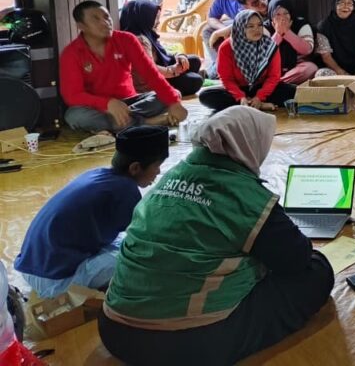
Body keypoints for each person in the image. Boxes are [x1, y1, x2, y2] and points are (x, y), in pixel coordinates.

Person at [99, 106, 334, 366]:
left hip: (113, 328)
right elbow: (297, 258)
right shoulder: (245, 195)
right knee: (317, 271)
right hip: (182, 344)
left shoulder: (170, 177)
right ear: (251, 144)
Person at [14, 127, 169, 298]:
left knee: (123, 242)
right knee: (144, 258)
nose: (158, 172)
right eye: (157, 166)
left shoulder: (97, 173)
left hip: (30, 266)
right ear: (135, 168)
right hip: (53, 282)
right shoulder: (125, 190)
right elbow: (149, 239)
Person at [60, 1, 188, 132]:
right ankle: (146, 122)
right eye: (96, 19)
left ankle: (121, 124)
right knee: (74, 116)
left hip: (131, 103)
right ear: (81, 26)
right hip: (98, 108)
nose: (105, 22)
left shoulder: (126, 40)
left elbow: (151, 74)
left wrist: (174, 102)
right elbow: (73, 95)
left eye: (106, 16)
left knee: (172, 94)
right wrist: (107, 103)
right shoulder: (71, 53)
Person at [198, 10, 295, 112]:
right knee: (206, 96)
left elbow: (273, 77)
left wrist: (259, 97)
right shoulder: (226, 47)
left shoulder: (270, 46)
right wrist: (240, 97)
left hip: (261, 87)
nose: (257, 29)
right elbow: (226, 78)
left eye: (259, 25)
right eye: (250, 26)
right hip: (238, 89)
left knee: (293, 92)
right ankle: (253, 104)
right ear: (240, 27)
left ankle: (250, 104)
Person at [119, 0, 203, 97]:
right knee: (195, 81)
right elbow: (149, 70)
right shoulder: (140, 40)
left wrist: (179, 56)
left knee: (194, 60)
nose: (158, 22)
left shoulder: (145, 32)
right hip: (151, 83)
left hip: (161, 70)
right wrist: (172, 70)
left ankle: (191, 75)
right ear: (144, 18)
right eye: (155, 18)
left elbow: (163, 53)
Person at [201, 0, 242, 78]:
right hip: (233, 24)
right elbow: (211, 18)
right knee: (207, 31)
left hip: (250, 26)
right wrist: (222, 28)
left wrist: (221, 32)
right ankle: (219, 64)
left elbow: (245, 20)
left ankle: (215, 71)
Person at [207, 0, 271, 54]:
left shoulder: (272, 5)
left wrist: (220, 33)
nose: (262, 2)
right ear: (246, 8)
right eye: (255, 3)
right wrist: (218, 32)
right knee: (207, 30)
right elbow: (243, 20)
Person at [267, 0, 317, 85]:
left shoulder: (300, 24)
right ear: (271, 16)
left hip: (296, 66)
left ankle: (278, 83)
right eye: (277, 14)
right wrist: (278, 34)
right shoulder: (265, 27)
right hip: (273, 67)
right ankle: (277, 83)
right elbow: (265, 54)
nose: (282, 18)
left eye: (285, 13)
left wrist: (287, 32)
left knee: (311, 68)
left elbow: (307, 50)